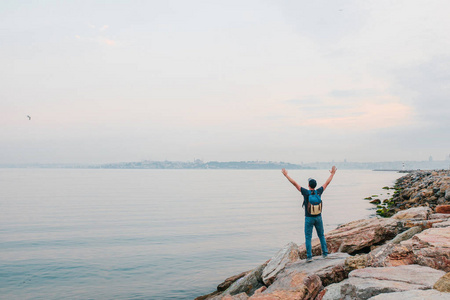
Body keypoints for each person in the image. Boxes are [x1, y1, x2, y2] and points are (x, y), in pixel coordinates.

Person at [281, 166, 337, 262]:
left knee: (308, 237)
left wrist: (286, 175)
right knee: (321, 235)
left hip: (309, 218)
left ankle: (309, 257)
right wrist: (332, 174)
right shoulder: (319, 191)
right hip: (318, 217)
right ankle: (325, 253)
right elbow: (327, 183)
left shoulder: (306, 192)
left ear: (308, 185)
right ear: (315, 185)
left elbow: (295, 184)